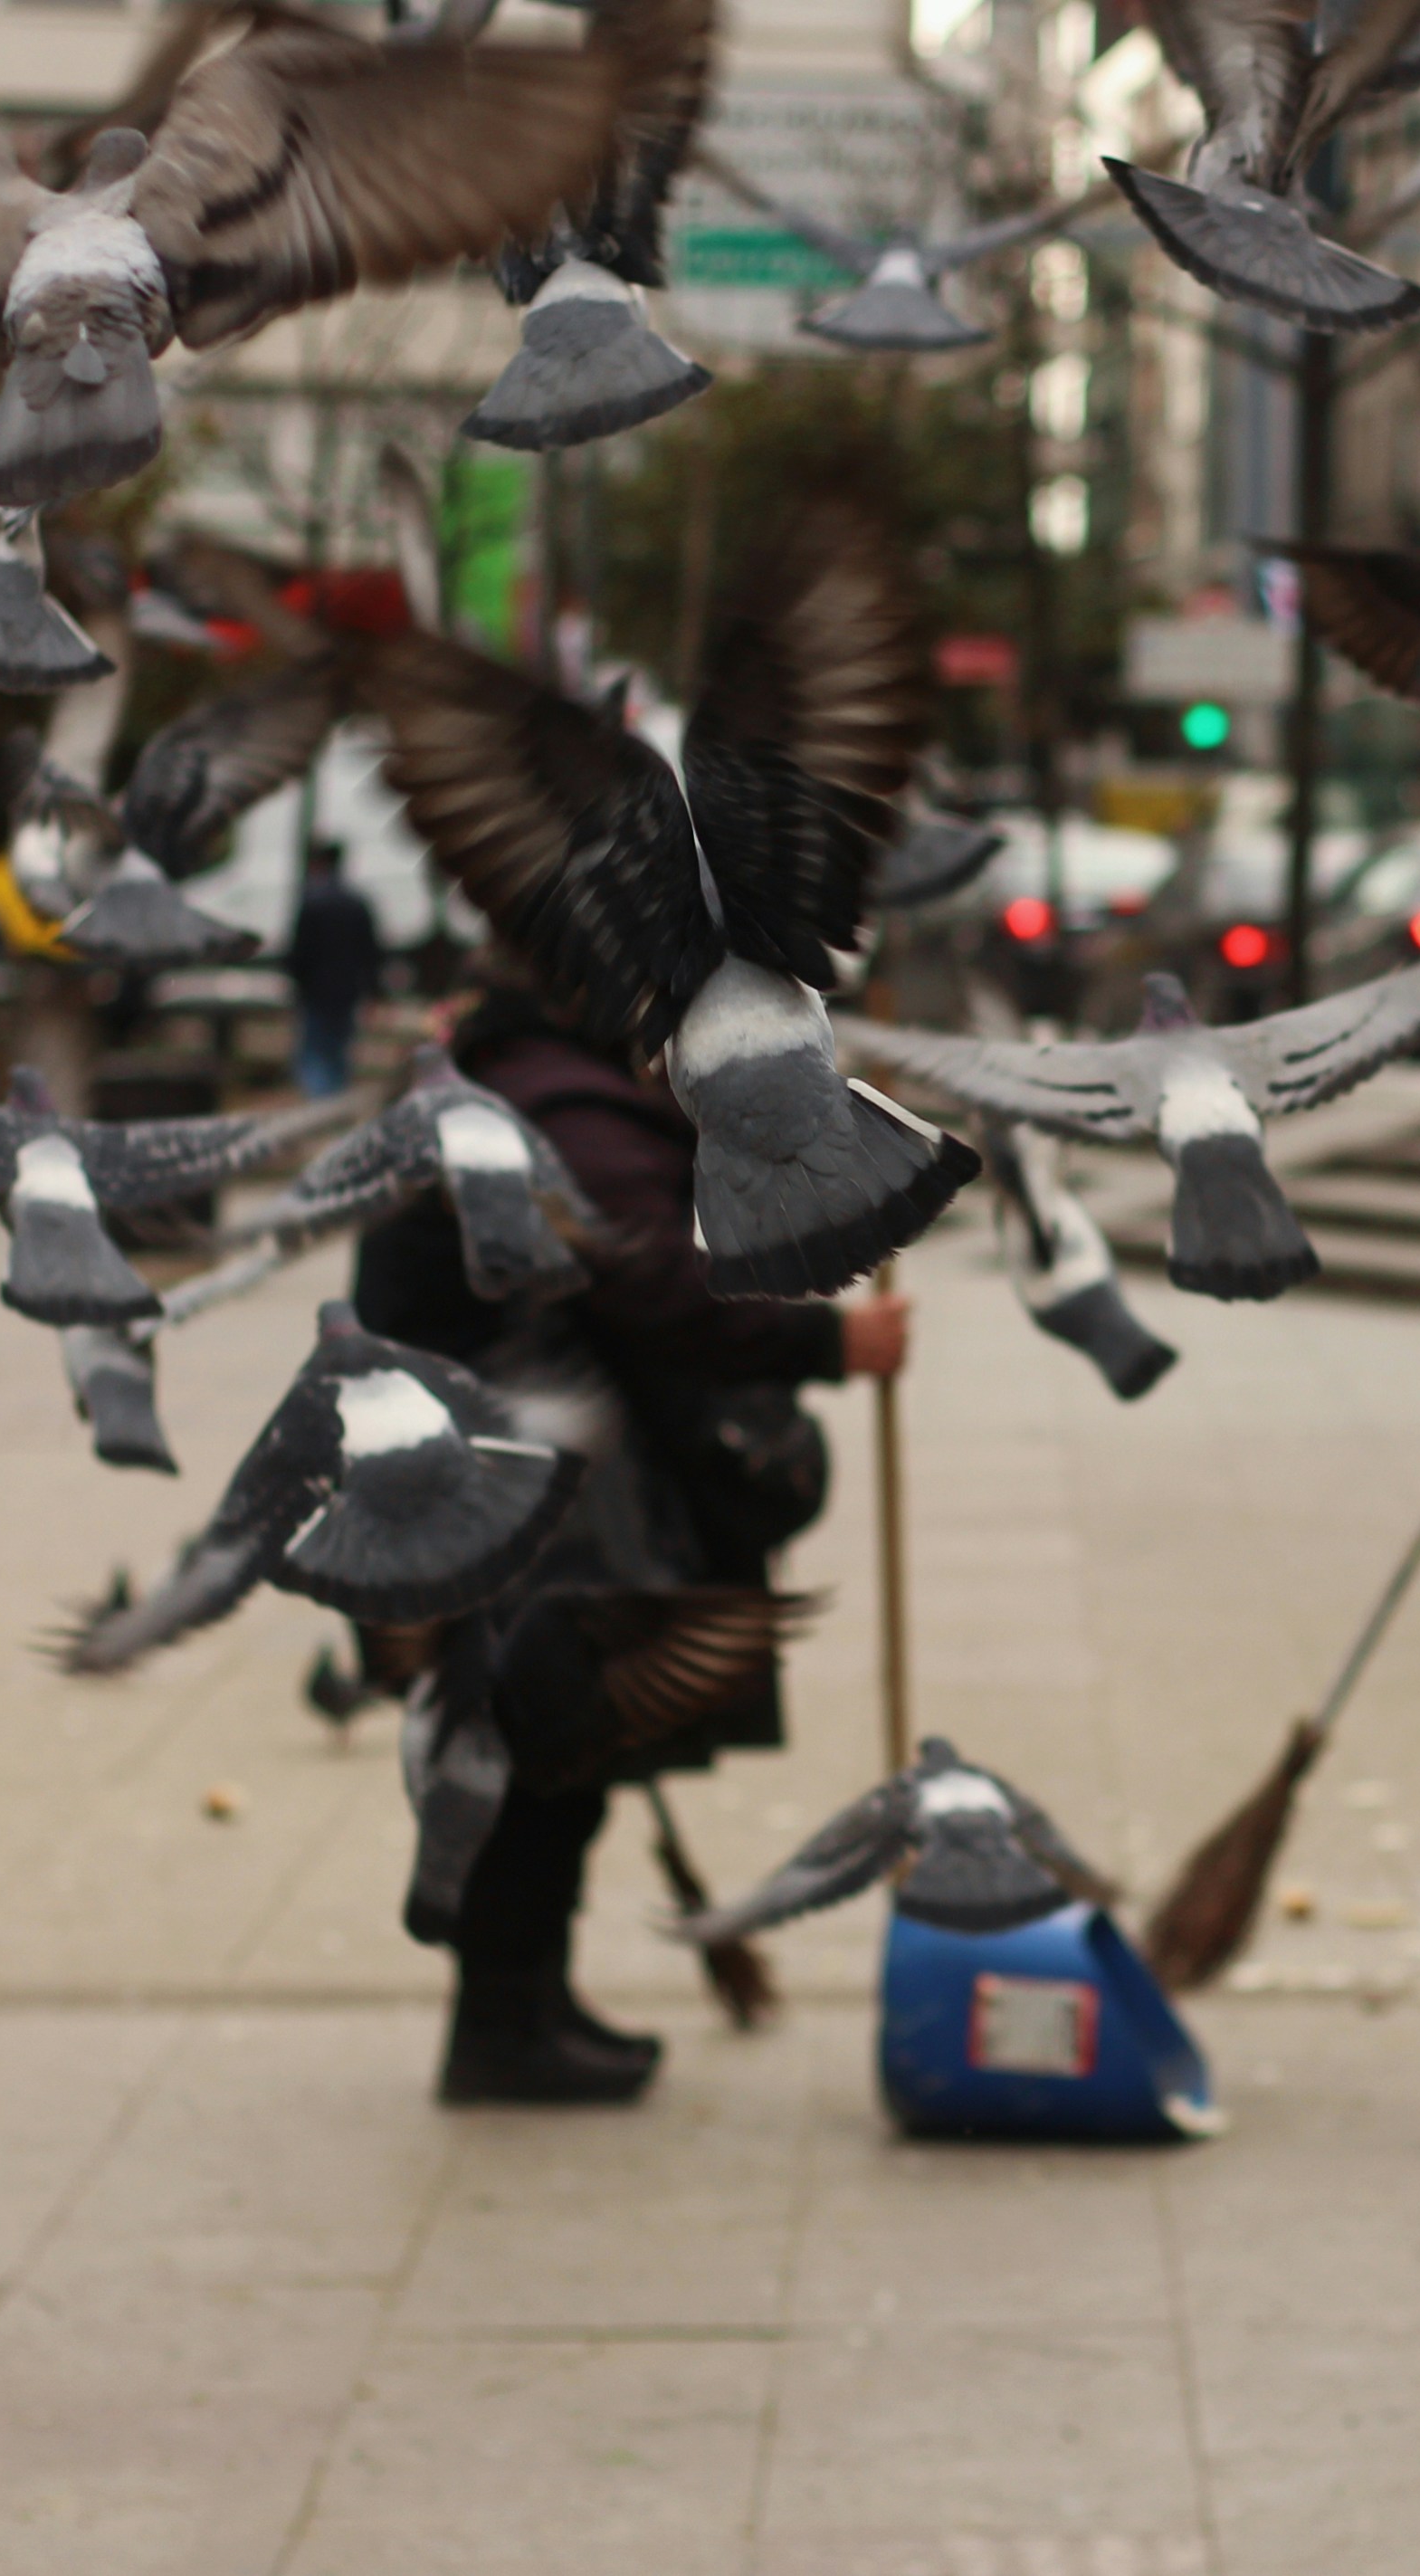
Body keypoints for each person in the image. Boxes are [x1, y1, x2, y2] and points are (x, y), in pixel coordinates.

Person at [352, 959, 910, 2105]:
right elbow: (651, 1279)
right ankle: (505, 2024)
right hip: (521, 1498)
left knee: (544, 1753)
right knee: (539, 1756)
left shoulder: (509, 1083)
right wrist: (826, 1345)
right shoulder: (565, 1108)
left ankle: (524, 2001)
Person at [285, 839, 383, 1099]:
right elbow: (371, 952)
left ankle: (320, 1104)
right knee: (339, 1050)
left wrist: (296, 986)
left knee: (316, 1052)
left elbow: (299, 952)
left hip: (316, 990)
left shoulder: (311, 901)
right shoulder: (357, 902)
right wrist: (374, 992)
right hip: (348, 989)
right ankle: (336, 1102)